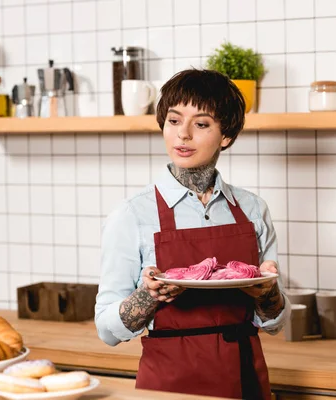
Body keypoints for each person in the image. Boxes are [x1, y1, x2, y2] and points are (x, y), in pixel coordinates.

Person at [95, 69, 290, 399]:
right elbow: (107, 330)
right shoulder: (132, 214)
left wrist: (267, 293)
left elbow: (275, 322)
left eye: (200, 124)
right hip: (170, 382)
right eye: (173, 121)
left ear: (225, 136)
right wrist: (149, 296)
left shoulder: (253, 209)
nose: (182, 135)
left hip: (244, 374)